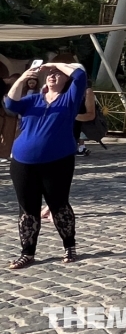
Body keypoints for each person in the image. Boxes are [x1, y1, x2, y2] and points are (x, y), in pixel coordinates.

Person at [4, 62, 89, 268]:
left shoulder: (70, 100)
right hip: (22, 162)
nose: (52, 75)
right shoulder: (32, 100)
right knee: (27, 209)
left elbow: (79, 75)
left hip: (58, 162)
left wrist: (55, 64)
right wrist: (23, 78)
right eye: (50, 73)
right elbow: (9, 104)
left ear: (65, 80)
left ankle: (69, 246)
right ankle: (27, 253)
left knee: (58, 205)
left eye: (57, 74)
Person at [73, 85, 96, 157]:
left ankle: (81, 147)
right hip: (75, 121)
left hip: (81, 119)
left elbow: (90, 114)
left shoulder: (87, 91)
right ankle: (81, 147)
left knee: (80, 132)